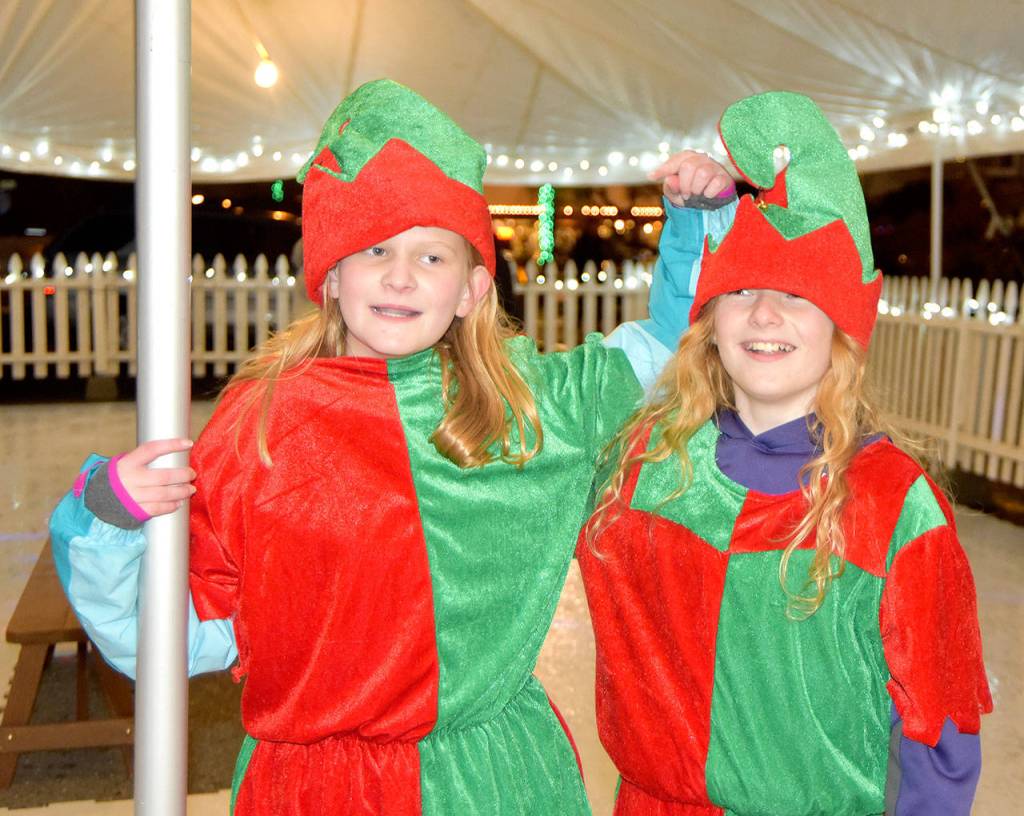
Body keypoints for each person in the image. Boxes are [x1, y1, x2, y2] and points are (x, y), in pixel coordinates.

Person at [49, 79, 736, 815]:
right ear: (332, 274)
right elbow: (174, 631)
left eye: (432, 256)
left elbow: (674, 348)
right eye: (375, 247)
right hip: (317, 788)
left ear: (473, 288)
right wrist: (109, 517)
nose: (401, 275)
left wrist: (698, 222)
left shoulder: (530, 406)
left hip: (493, 782)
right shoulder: (264, 424)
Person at [578, 91, 993, 816]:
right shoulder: (648, 465)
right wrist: (689, 228)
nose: (765, 314)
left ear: (843, 330)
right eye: (741, 292)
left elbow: (938, 723)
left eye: (798, 297)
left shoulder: (892, 502)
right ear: (710, 323)